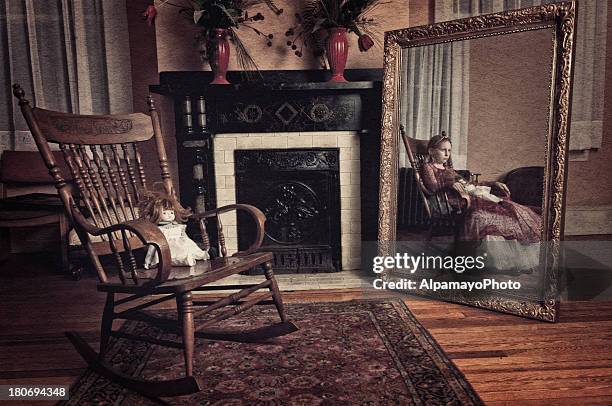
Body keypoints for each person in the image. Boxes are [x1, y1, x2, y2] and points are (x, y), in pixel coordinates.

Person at [421, 134, 541, 271]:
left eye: (449, 150)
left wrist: (493, 183)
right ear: (431, 151)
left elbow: (469, 184)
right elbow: (432, 186)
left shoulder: (448, 169)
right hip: (447, 201)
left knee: (505, 209)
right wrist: (450, 185)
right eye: (443, 150)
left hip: (463, 197)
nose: (447, 154)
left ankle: (512, 258)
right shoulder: (428, 167)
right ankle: (473, 256)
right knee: (479, 214)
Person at [139, 189, 209, 269]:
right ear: (157, 214)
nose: (169, 215)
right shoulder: (158, 230)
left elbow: (185, 237)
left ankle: (204, 254)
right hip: (168, 249)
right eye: (165, 213)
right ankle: (186, 261)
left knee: (190, 247)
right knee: (172, 258)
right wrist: (147, 261)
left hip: (181, 244)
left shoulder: (178, 226)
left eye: (171, 212)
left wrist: (188, 242)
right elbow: (153, 246)